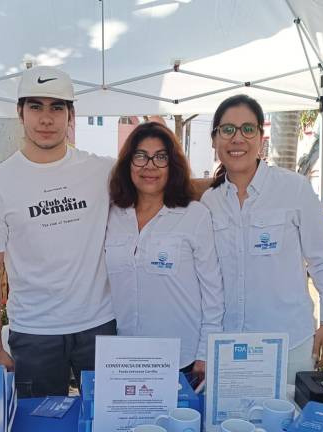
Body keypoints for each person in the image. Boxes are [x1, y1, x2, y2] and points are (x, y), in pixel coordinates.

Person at [0, 66, 116, 397]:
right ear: (20, 113)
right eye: (36, 106)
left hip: (99, 325)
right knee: (38, 423)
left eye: (56, 107)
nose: (46, 119)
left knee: (108, 418)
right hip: (34, 332)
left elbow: (162, 185)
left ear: (71, 115)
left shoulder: (103, 171)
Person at [200, 94, 323, 383]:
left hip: (288, 345)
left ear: (260, 137)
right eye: (227, 130)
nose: (237, 138)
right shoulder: (209, 202)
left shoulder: (294, 189)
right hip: (228, 348)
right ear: (215, 140)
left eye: (247, 129)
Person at [105, 122, 224, 386]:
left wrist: (205, 352)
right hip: (123, 357)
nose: (150, 166)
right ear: (128, 164)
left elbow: (213, 292)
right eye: (140, 156)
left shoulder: (194, 215)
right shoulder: (111, 214)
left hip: (181, 359)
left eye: (161, 157)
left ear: (173, 166)